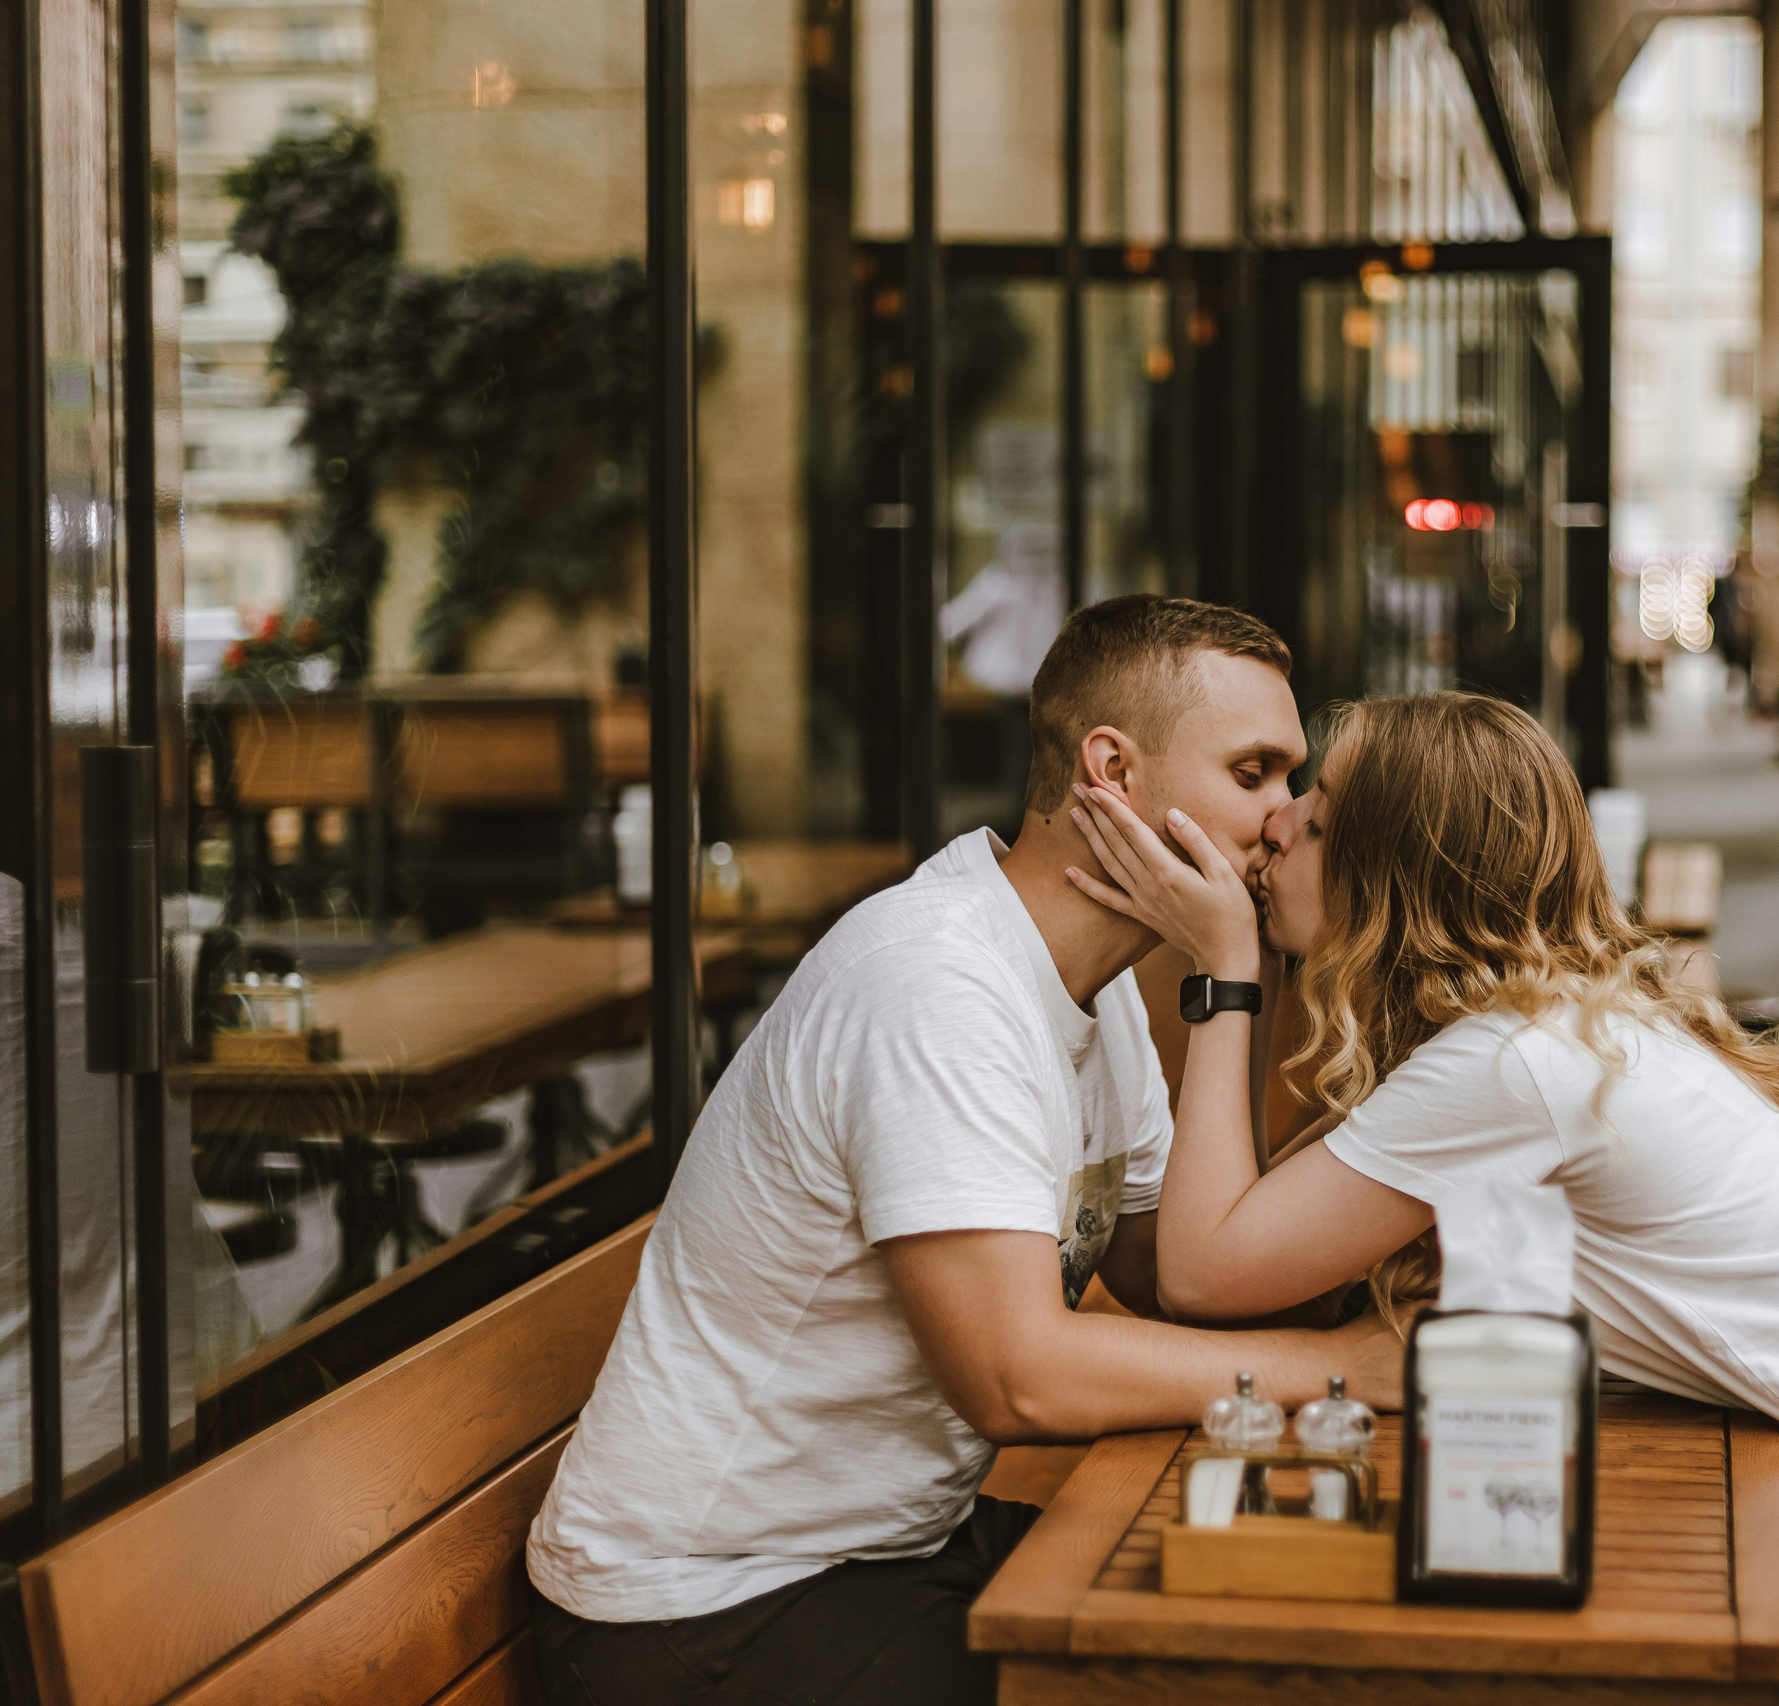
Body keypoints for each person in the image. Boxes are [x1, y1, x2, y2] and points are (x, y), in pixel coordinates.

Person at [1063, 691, 1779, 1706]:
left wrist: (1226, 972)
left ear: (1395, 869)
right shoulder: (1532, 1032)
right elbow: (1261, 1254)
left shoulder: (1513, 1062)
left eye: (1319, 811)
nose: (1275, 827)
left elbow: (1203, 1274)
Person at [525, 596, 1402, 1706]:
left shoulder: (1096, 983)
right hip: (699, 1602)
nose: (1284, 817)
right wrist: (1346, 1369)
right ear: (1111, 769)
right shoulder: (935, 982)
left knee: (1266, 1632)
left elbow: (1182, 1278)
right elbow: (1015, 1375)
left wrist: (1376, 1066)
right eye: (1253, 772)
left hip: (880, 1545)